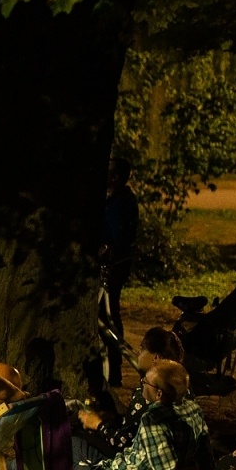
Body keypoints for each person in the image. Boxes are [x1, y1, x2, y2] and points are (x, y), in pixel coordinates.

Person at [67, 363, 215, 470]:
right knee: (74, 443)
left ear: (159, 394)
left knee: (60, 463)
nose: (142, 383)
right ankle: (90, 467)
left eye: (146, 382)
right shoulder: (193, 410)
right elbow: (206, 459)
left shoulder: (153, 420)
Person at [77, 327, 185, 454]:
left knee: (78, 441)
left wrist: (98, 424)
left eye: (142, 349)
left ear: (155, 357)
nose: (138, 352)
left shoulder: (148, 391)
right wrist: (115, 421)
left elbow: (123, 444)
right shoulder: (182, 384)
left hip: (136, 462)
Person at [102, 159, 139, 387]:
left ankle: (114, 371)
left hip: (113, 267)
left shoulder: (119, 203)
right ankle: (113, 371)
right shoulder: (119, 200)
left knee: (109, 318)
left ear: (115, 177)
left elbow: (119, 239)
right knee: (109, 316)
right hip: (115, 265)